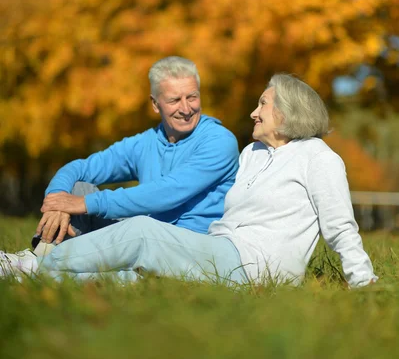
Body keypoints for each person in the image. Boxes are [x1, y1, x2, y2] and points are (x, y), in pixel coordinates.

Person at [1, 74, 377, 288]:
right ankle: (32, 282)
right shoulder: (253, 154)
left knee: (143, 233)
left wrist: (362, 282)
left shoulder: (319, 158)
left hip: (256, 267)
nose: (253, 112)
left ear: (287, 111)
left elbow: (340, 226)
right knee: (131, 279)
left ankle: (30, 266)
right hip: (220, 251)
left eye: (262, 104)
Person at [0, 56, 239, 268]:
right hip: (142, 235)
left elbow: (164, 193)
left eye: (192, 97)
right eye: (175, 100)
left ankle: (35, 266)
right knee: (77, 186)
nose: (186, 108)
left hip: (185, 245)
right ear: (155, 104)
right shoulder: (146, 142)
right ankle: (39, 256)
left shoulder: (219, 142)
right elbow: (80, 167)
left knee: (90, 202)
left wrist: (85, 203)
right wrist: (58, 199)